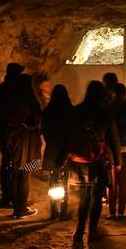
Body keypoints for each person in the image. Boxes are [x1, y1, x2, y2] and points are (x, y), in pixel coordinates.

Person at [67, 81, 120, 242]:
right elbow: (112, 137)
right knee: (97, 196)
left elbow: (69, 134)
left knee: (85, 196)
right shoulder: (104, 113)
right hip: (98, 160)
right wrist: (117, 159)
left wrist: (66, 155)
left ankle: (79, 230)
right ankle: (93, 231)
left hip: (80, 160)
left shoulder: (77, 110)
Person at [2, 73, 42, 219]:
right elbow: (36, 120)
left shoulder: (11, 100)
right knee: (25, 175)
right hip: (28, 145)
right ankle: (22, 209)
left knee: (15, 174)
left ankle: (16, 209)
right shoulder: (31, 102)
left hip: (15, 143)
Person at [0, 62, 24, 208]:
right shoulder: (17, 91)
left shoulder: (0, 89)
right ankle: (13, 196)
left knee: (7, 162)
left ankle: (7, 196)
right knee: (16, 163)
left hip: (5, 129)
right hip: (15, 131)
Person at [41, 84, 73, 220]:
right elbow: (73, 131)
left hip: (52, 149)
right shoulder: (70, 110)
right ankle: (64, 212)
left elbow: (44, 130)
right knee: (65, 180)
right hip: (65, 149)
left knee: (53, 181)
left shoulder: (48, 110)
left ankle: (54, 211)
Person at [107, 82, 126, 220]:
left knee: (112, 182)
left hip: (112, 150)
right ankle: (121, 212)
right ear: (124, 93)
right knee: (124, 182)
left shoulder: (109, 108)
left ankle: (111, 212)